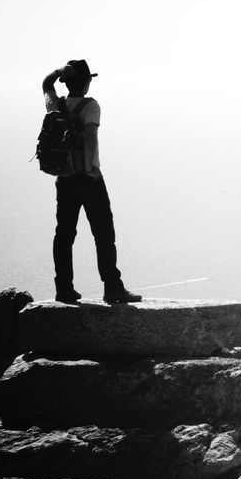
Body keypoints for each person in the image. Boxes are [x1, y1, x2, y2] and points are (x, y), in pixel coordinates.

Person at [41, 59, 141, 304]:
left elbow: (45, 85)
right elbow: (90, 138)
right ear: (85, 82)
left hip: (64, 178)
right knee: (104, 233)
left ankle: (64, 288)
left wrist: (57, 73)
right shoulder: (91, 106)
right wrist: (91, 170)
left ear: (66, 82)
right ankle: (112, 287)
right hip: (88, 179)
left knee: (64, 235)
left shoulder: (56, 103)